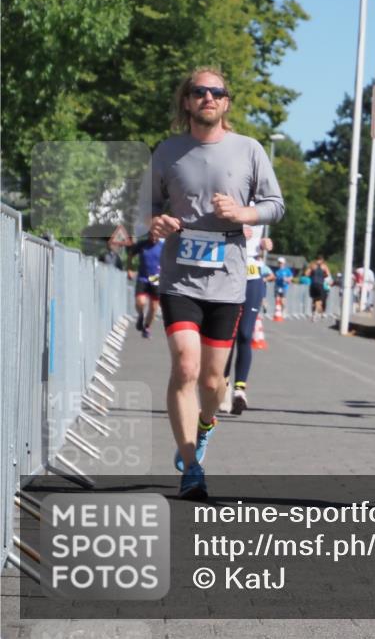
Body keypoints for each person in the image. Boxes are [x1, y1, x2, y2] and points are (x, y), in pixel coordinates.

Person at [142, 67, 284, 500]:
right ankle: (191, 467)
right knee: (184, 365)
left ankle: (206, 422)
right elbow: (142, 209)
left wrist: (244, 214)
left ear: (226, 102)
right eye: (199, 91)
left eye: (216, 92)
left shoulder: (249, 150)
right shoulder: (167, 151)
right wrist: (156, 222)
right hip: (180, 278)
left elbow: (275, 205)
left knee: (211, 383)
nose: (207, 97)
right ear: (186, 101)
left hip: (227, 280)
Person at [222, 222, 273, 415]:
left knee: (245, 333)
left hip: (252, 274)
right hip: (227, 272)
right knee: (227, 335)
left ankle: (240, 391)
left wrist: (263, 243)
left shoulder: (261, 207)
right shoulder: (229, 200)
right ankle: (223, 386)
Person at [127, 235, 165, 339]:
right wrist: (130, 269)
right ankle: (140, 315)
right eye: (151, 235)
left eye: (156, 236)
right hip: (143, 277)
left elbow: (169, 261)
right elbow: (130, 255)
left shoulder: (163, 246)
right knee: (141, 302)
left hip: (156, 279)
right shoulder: (142, 245)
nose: (153, 238)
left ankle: (147, 328)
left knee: (153, 307)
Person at [305, 256, 331, 321]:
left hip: (313, 284)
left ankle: (314, 312)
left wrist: (312, 275)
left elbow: (306, 274)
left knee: (314, 299)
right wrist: (323, 276)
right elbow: (328, 274)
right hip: (320, 284)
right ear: (322, 260)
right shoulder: (324, 266)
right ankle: (316, 313)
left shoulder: (312, 265)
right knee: (319, 300)